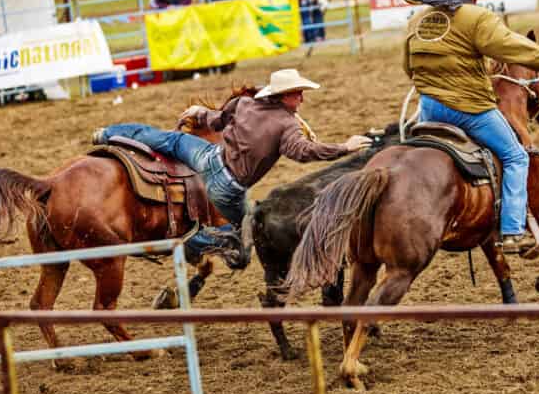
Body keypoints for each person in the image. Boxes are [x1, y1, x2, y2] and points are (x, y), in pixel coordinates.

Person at [92, 68, 372, 263]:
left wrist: (199, 113)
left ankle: (108, 133)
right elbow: (304, 152)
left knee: (170, 139)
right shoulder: (286, 125)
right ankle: (189, 243)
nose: (302, 98)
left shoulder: (244, 103)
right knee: (244, 231)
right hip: (228, 186)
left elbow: (216, 120)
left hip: (209, 157)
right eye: (297, 93)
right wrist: (344, 148)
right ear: (284, 95)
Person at [402, 0, 539, 255]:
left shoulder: (418, 20)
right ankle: (511, 231)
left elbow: (408, 66)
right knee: (516, 156)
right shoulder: (477, 18)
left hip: (429, 108)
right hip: (468, 109)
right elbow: (513, 46)